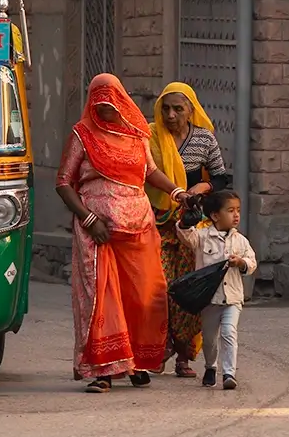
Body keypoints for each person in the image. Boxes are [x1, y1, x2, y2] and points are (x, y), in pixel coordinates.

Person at [56, 73, 193, 393]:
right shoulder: (82, 134)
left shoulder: (137, 133)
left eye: (110, 101)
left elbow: (151, 172)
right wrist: (89, 219)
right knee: (102, 301)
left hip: (139, 227)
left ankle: (136, 363)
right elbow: (63, 182)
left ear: (121, 100)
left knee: (144, 296)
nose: (104, 107)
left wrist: (178, 193)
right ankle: (103, 371)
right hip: (98, 232)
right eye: (98, 101)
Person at [148, 82, 231, 378]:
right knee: (158, 287)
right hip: (156, 222)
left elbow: (221, 178)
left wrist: (204, 186)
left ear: (190, 111)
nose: (170, 115)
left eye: (177, 109)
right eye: (165, 108)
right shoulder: (150, 136)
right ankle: (157, 349)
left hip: (192, 227)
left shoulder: (204, 139)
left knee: (189, 289)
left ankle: (184, 354)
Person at [176, 189, 257, 391]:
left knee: (229, 332)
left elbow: (252, 262)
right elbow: (187, 237)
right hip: (210, 300)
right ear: (214, 215)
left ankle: (229, 373)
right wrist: (185, 223)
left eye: (238, 210)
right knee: (210, 339)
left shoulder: (241, 240)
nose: (236, 215)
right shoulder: (203, 237)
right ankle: (210, 366)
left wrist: (241, 262)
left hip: (232, 299)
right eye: (230, 210)